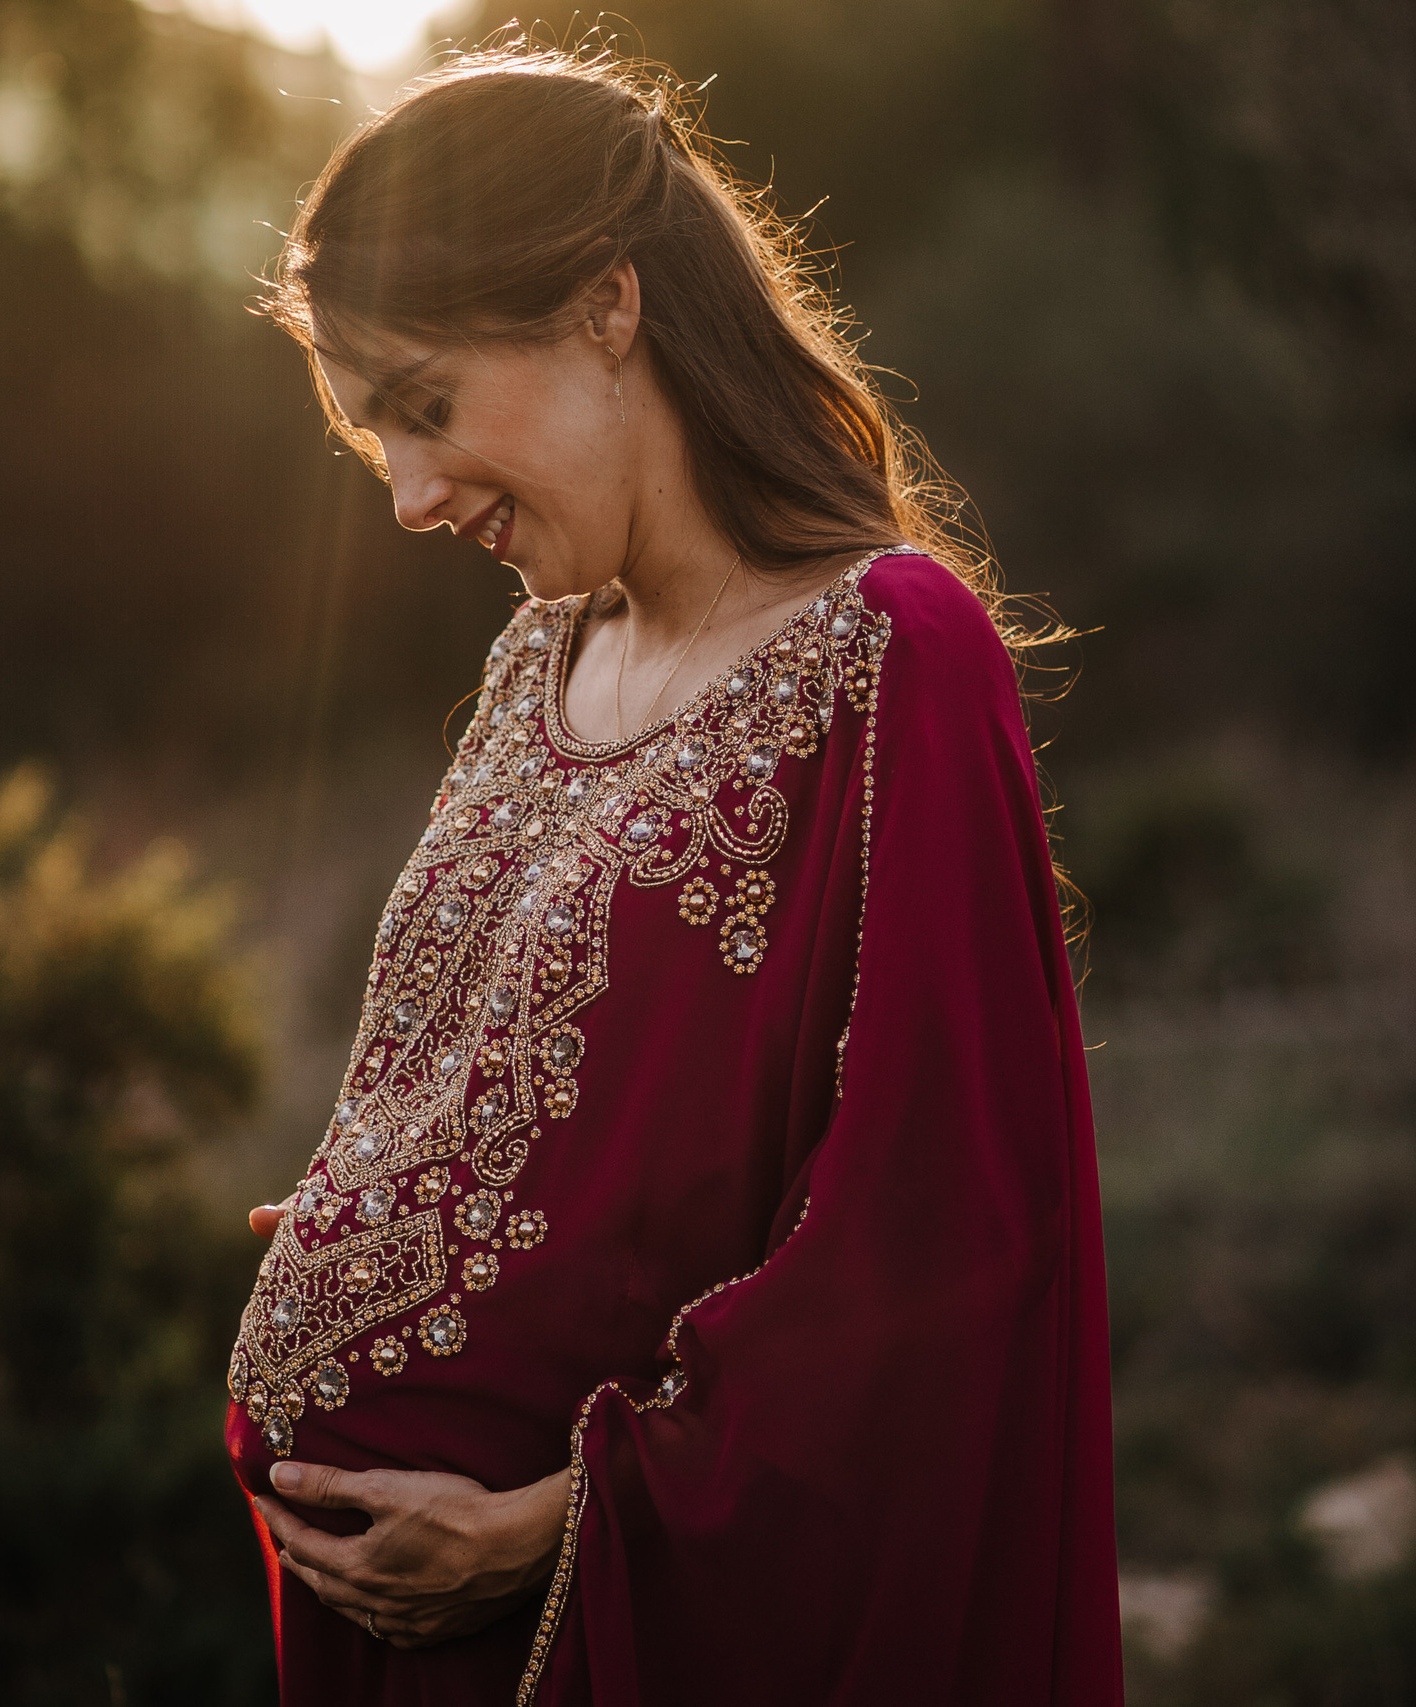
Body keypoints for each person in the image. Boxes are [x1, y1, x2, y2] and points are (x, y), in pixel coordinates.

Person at [226, 46, 1122, 1706]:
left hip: (604, 1628)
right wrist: (405, 1216)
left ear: (606, 308)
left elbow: (942, 1250)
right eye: (376, 439)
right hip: (390, 1646)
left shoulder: (892, 661)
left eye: (426, 405)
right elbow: (601, 1105)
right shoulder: (537, 659)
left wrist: (567, 1530)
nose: (410, 495)